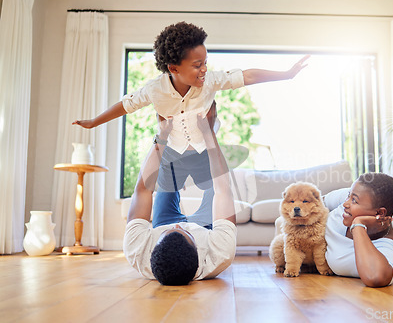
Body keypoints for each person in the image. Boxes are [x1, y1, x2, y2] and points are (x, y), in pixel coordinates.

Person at [73, 21, 309, 228]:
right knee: (158, 210)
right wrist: (94, 122)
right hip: (172, 152)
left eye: (205, 61)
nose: (204, 69)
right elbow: (125, 105)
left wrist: (287, 74)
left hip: (204, 150)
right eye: (197, 65)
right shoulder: (155, 90)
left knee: (216, 207)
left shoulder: (210, 81)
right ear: (173, 68)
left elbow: (247, 76)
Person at [123, 103, 237, 285]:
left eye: (171, 231)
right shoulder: (219, 254)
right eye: (185, 232)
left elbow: (143, 189)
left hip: (163, 223)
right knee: (215, 189)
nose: (179, 226)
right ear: (199, 251)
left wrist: (162, 136)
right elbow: (223, 189)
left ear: (153, 248)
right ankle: (203, 136)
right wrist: (208, 134)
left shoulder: (138, 250)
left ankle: (178, 147)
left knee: (164, 179)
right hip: (205, 228)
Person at [324, 172, 393, 287]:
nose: (345, 203)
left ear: (379, 213)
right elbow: (314, 201)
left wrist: (358, 225)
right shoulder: (351, 198)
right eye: (349, 196)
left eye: (354, 200)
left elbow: (375, 277)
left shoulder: (388, 245)